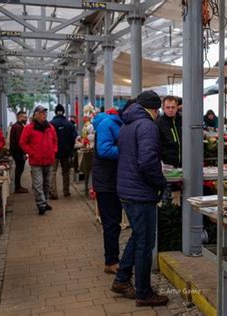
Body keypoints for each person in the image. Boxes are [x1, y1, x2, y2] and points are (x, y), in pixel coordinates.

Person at [111, 91, 168, 307]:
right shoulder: (147, 126)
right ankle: (144, 293)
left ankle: (122, 279)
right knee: (145, 243)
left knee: (138, 237)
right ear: (155, 110)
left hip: (128, 189)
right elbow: (147, 162)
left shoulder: (128, 123)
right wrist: (160, 183)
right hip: (140, 192)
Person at [92, 100, 134, 275]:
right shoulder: (108, 124)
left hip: (113, 179)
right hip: (106, 182)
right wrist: (128, 150)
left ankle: (113, 259)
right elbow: (104, 150)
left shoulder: (118, 123)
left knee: (114, 222)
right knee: (111, 223)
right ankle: (111, 261)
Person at [20, 106, 58, 215]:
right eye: (42, 113)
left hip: (49, 159)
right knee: (38, 184)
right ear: (36, 115)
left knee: (47, 183)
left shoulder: (50, 127)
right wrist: (32, 152)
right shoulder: (29, 128)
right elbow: (23, 143)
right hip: (36, 161)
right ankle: (41, 204)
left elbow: (55, 140)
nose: (44, 115)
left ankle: (45, 201)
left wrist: (54, 151)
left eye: (45, 113)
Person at [49, 104, 77, 199]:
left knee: (53, 172)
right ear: (64, 112)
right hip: (66, 151)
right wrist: (70, 149)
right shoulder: (69, 124)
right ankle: (66, 191)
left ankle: (53, 192)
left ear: (55, 112)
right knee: (66, 172)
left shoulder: (51, 124)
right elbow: (73, 138)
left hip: (54, 152)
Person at [156, 96, 182, 167]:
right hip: (167, 164)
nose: (170, 110)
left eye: (173, 107)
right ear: (163, 108)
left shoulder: (183, 121)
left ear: (177, 108)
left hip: (184, 164)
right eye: (168, 107)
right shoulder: (158, 123)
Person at [10, 111, 29, 193]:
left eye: (26, 117)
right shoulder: (18, 127)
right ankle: (18, 187)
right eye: (24, 117)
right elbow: (20, 142)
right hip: (18, 151)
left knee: (19, 169)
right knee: (19, 169)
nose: (25, 118)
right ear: (19, 117)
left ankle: (18, 186)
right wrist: (24, 152)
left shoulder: (17, 126)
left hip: (16, 151)